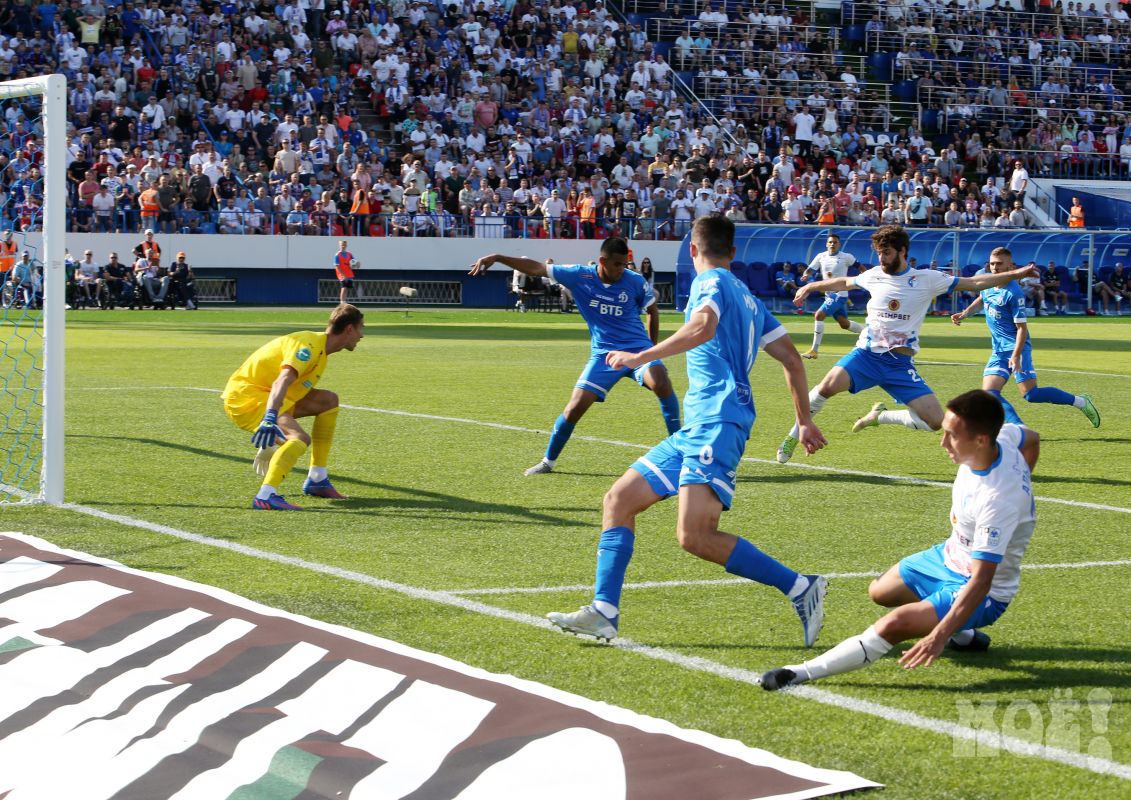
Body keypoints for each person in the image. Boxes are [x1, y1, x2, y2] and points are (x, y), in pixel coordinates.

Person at [545, 215, 829, 646]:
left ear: (692, 250)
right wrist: (804, 420)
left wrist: (640, 357)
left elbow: (703, 326)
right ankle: (604, 611)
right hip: (701, 424)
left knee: (695, 535)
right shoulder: (750, 298)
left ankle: (801, 587)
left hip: (718, 421)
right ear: (733, 252)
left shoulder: (709, 281)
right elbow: (792, 360)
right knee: (618, 500)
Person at [762, 390, 1039, 690]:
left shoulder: (997, 501)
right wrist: (1026, 474)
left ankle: (798, 673)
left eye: (951, 435)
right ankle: (964, 634)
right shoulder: (1006, 438)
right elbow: (1032, 438)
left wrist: (939, 636)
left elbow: (982, 581)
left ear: (982, 440)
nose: (942, 442)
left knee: (897, 623)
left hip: (980, 592)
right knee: (880, 592)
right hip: (947, 557)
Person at [775, 225, 1041, 463]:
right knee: (825, 388)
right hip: (866, 356)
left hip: (900, 365)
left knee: (936, 421)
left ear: (902, 251)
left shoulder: (927, 279)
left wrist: (1016, 273)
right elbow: (844, 281)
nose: (882, 258)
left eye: (887, 252)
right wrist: (811, 287)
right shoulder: (874, 275)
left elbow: (975, 282)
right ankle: (792, 434)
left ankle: (881, 416)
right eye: (879, 253)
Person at [469, 237, 682, 475]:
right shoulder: (580, 276)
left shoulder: (634, 281)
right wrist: (498, 257)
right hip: (604, 355)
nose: (622, 269)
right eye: (618, 264)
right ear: (603, 261)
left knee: (661, 381)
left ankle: (680, 453)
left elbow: (652, 310)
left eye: (625, 264)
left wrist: (649, 351)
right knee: (574, 408)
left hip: (637, 350)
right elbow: (537, 267)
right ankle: (548, 462)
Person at [222, 304, 365, 510]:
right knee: (299, 438)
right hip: (247, 397)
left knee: (328, 401)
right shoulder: (308, 348)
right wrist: (270, 417)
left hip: (265, 394)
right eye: (361, 328)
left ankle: (317, 479)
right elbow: (282, 381)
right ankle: (266, 495)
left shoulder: (321, 350)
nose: (362, 335)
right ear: (349, 329)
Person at [951, 248, 1100, 428]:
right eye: (992, 264)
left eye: (999, 264)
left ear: (1010, 266)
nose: (995, 268)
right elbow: (982, 299)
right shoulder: (988, 284)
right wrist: (965, 313)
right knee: (990, 393)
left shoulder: (1014, 293)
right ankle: (1020, 429)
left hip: (1017, 348)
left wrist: (1015, 355)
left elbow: (1022, 328)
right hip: (998, 350)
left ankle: (1080, 402)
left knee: (1031, 395)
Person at [800, 233, 865, 359]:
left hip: (840, 294)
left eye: (835, 242)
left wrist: (866, 278)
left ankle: (814, 350)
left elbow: (860, 267)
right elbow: (810, 269)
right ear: (826, 244)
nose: (832, 244)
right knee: (844, 324)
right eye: (830, 242)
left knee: (819, 315)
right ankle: (868, 334)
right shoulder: (821, 256)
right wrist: (806, 274)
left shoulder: (846, 257)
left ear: (839, 244)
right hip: (829, 295)